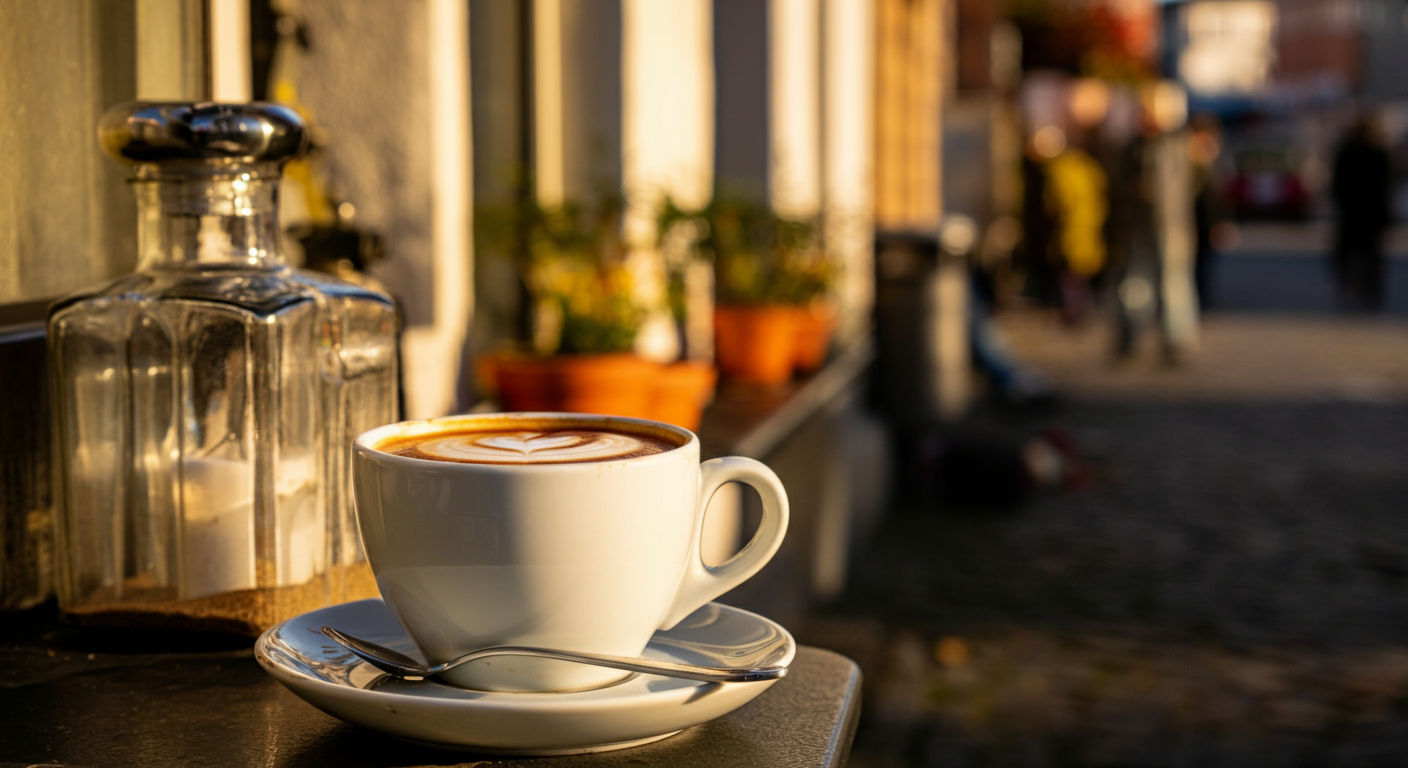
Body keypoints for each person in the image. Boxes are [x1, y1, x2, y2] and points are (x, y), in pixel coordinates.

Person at [1331, 115, 1392, 311]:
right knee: (1361, 253)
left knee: (1362, 253)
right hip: (1361, 213)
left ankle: (1361, 287)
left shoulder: (1369, 153)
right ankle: (1362, 287)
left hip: (1359, 213)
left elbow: (1384, 186)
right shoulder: (1367, 153)